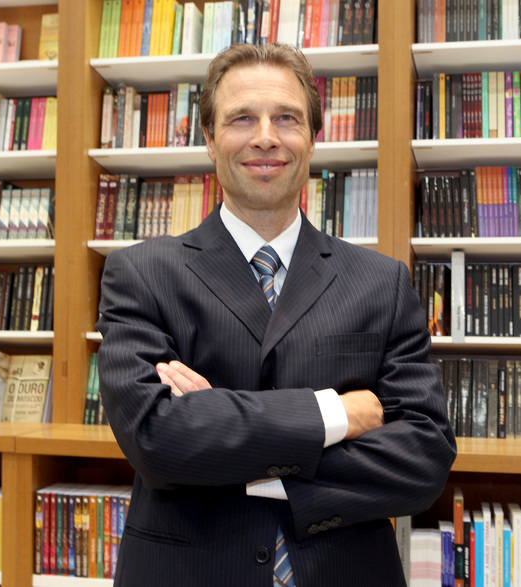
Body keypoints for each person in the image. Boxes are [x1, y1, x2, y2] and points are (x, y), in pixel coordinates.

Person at [96, 42, 457, 587]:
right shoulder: (141, 274)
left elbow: (423, 458)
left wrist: (225, 441)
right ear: (210, 140)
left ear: (313, 137)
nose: (265, 136)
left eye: (286, 117)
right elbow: (157, 441)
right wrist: (336, 414)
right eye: (242, 118)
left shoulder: (381, 282)